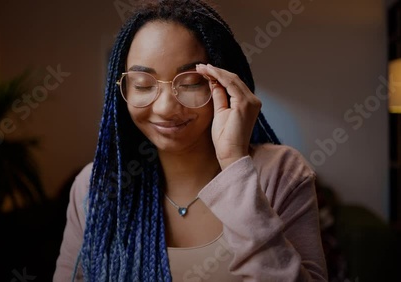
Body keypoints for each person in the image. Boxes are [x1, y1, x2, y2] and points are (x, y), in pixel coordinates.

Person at [54, 0, 327, 281]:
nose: (164, 108)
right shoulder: (95, 187)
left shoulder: (281, 172)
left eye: (190, 83)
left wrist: (234, 163)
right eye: (143, 85)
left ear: (227, 82)